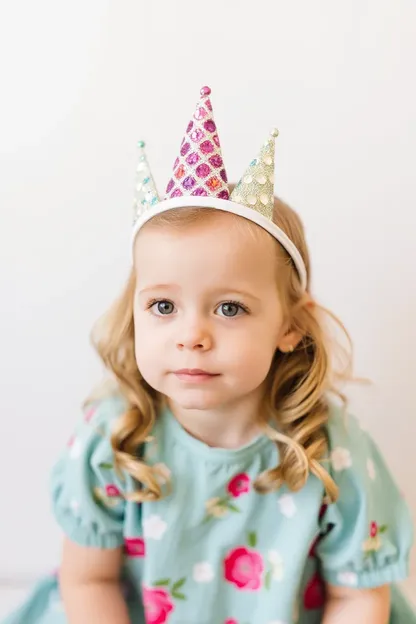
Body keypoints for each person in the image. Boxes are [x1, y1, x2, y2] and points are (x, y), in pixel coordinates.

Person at [4, 86, 415, 624]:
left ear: (289, 325)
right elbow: (89, 578)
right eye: (164, 305)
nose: (191, 335)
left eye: (228, 309)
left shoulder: (327, 448)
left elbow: (358, 596)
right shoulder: (116, 436)